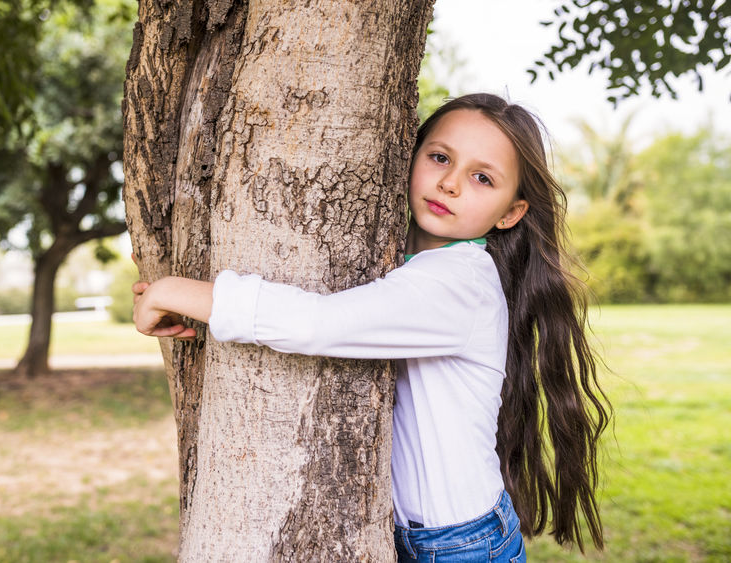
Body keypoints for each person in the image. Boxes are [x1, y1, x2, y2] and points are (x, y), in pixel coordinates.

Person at [132, 93, 610, 561]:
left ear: (511, 212)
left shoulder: (458, 282)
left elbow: (315, 324)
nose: (450, 183)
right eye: (440, 157)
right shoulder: (411, 265)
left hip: (459, 546)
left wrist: (172, 293)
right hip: (433, 539)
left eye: (482, 177)